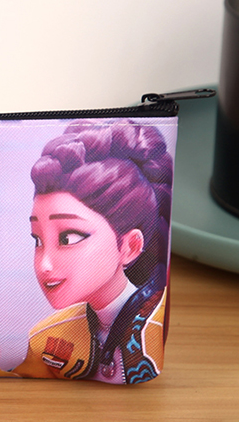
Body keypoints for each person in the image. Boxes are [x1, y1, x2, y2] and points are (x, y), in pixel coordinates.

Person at [10, 119, 171, 383]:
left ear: (130, 246)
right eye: (38, 240)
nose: (44, 264)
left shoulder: (153, 328)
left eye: (69, 237)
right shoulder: (46, 336)